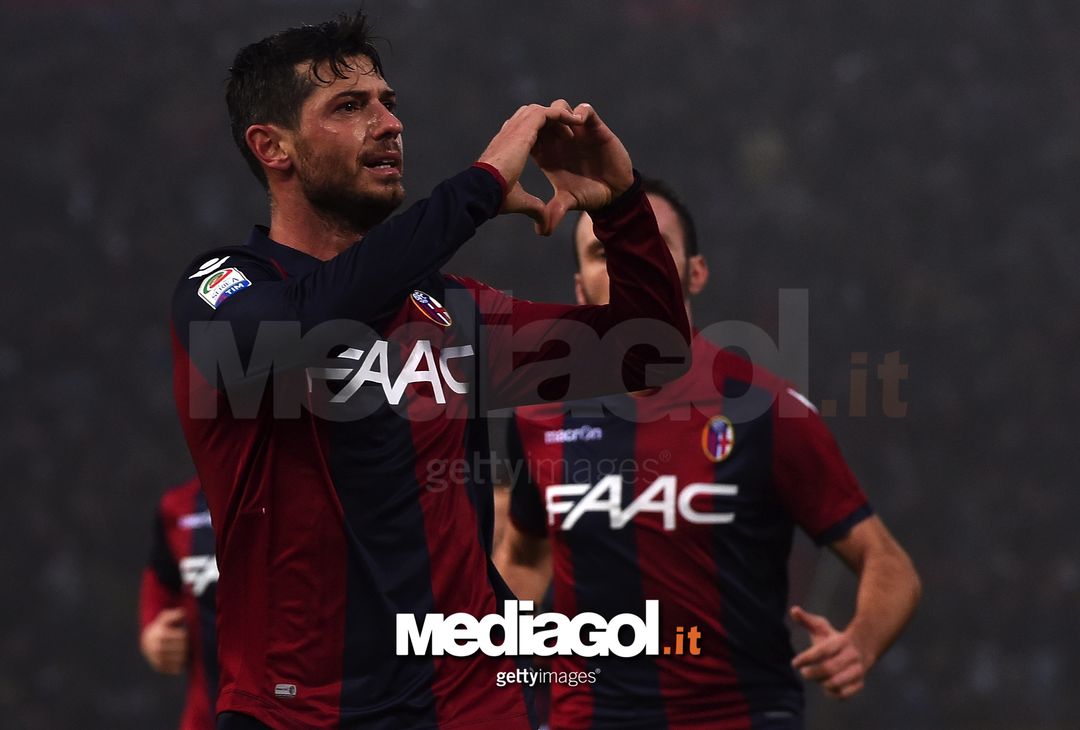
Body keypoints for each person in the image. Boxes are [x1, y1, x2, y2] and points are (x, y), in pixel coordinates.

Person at [170, 12, 690, 730]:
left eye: (388, 103)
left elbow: (651, 350)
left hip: (470, 704)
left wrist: (621, 206)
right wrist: (478, 188)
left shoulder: (449, 309)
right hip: (296, 713)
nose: (389, 124)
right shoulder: (221, 290)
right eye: (349, 107)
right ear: (272, 147)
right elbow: (295, 331)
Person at [495, 178, 922, 729]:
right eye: (602, 251)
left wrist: (859, 643)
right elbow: (525, 561)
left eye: (648, 242)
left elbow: (887, 562)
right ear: (580, 288)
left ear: (695, 272)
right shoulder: (539, 414)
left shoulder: (765, 408)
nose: (625, 260)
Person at [139, 475, 218, 730]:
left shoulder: (308, 492)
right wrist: (156, 638)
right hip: (207, 719)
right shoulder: (178, 506)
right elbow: (160, 591)